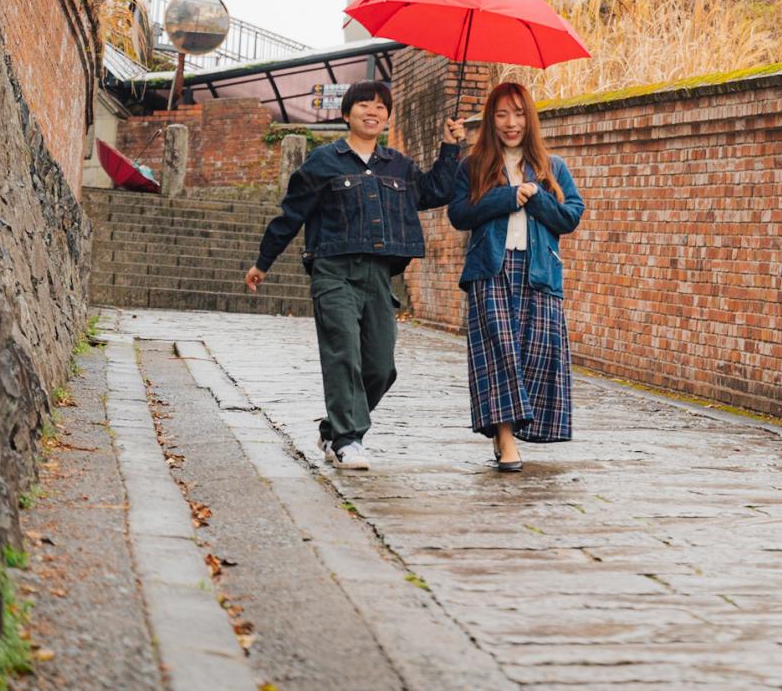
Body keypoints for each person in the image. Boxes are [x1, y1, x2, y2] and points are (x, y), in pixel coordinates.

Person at [246, 81, 465, 471]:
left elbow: (435, 191)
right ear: (347, 113)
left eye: (381, 106)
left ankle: (333, 427)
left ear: (387, 117)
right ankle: (348, 441)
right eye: (364, 104)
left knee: (381, 367)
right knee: (343, 352)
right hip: (333, 271)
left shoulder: (398, 165)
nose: (373, 111)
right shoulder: (323, 161)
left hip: (379, 275)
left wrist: (451, 148)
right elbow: (291, 214)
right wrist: (263, 262)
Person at [448, 80, 585, 471]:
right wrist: (508, 197)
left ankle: (503, 428)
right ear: (491, 119)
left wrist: (537, 196)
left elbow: (571, 216)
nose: (511, 123)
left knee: (534, 354)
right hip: (489, 269)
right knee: (499, 354)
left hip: (539, 272)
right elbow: (459, 214)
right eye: (502, 114)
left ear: (530, 118)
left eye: (519, 113)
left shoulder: (552, 167)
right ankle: (506, 441)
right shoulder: (473, 166)